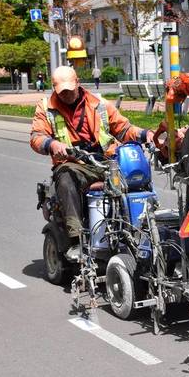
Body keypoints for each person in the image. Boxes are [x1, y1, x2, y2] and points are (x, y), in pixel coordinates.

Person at [29, 66, 154, 260]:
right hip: (74, 163)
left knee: (138, 177)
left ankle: (143, 231)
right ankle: (76, 239)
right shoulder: (46, 108)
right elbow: (37, 137)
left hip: (106, 161)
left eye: (70, 90)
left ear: (78, 83)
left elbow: (123, 129)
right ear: (54, 88)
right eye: (62, 92)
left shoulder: (99, 104)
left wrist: (146, 135)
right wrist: (52, 144)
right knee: (66, 179)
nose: (67, 95)